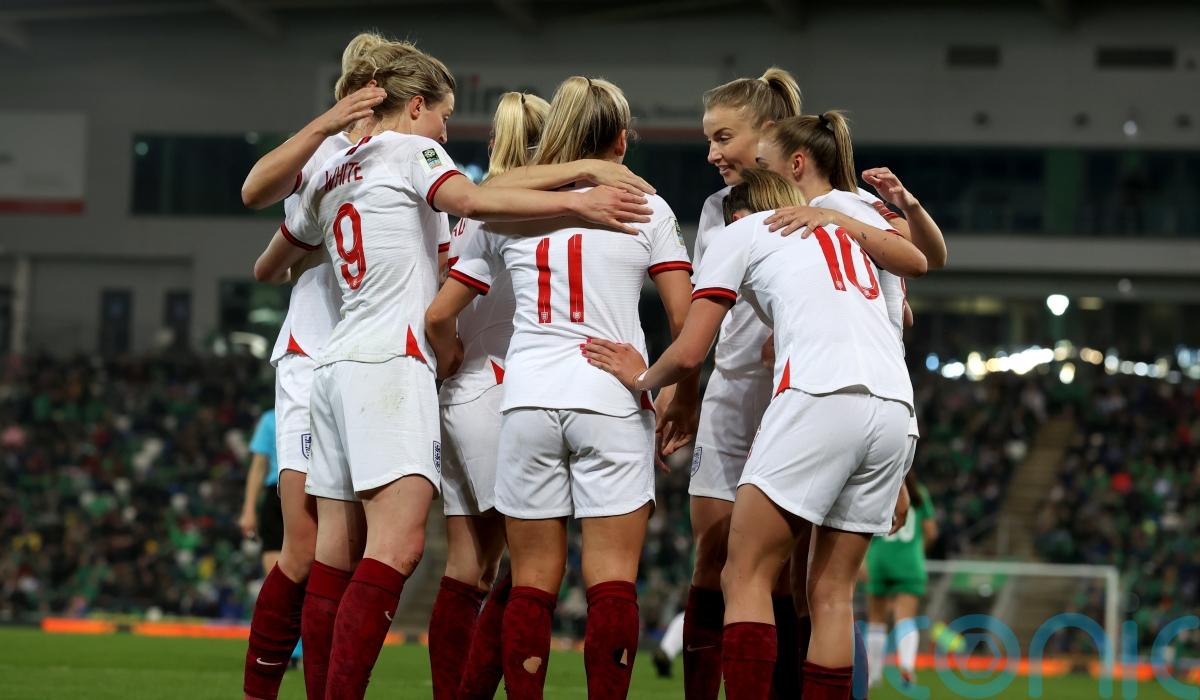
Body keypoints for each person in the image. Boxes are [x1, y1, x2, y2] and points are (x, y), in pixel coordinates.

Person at [252, 44, 655, 699]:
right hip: (416, 368)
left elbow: (267, 256)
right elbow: (473, 205)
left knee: (340, 558)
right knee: (456, 556)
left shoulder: (335, 168)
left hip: (337, 363)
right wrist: (582, 194)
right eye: (443, 115)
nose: (446, 131)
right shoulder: (427, 163)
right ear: (416, 106)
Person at [584, 168, 915, 700]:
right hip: (895, 409)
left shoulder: (743, 230)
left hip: (817, 398)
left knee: (744, 575)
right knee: (831, 593)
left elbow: (690, 351)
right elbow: (912, 286)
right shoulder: (847, 233)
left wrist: (642, 379)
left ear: (739, 213)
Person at [425, 76, 697, 700]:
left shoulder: (503, 211)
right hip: (610, 398)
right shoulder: (647, 209)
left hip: (527, 400)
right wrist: (676, 392)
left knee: (530, 584)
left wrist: (451, 354)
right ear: (621, 140)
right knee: (611, 583)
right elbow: (686, 324)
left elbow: (441, 309)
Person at [239, 32, 394, 700]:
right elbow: (253, 190)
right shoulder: (324, 151)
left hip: (376, 363)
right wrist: (327, 123)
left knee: (347, 552)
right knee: (303, 547)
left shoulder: (412, 155)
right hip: (313, 352)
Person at [683, 67, 804, 700]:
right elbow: (706, 308)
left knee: (788, 577)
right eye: (709, 139)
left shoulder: (821, 201)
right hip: (731, 393)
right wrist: (685, 389)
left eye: (723, 137)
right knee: (713, 558)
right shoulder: (716, 209)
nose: (712, 153)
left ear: (768, 132)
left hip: (800, 397)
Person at [865, 474, 937, 689]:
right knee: (905, 618)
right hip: (909, 562)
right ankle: (906, 667)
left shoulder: (880, 487)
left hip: (879, 559)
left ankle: (873, 675)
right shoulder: (920, 493)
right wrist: (916, 551)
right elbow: (931, 532)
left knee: (876, 620)